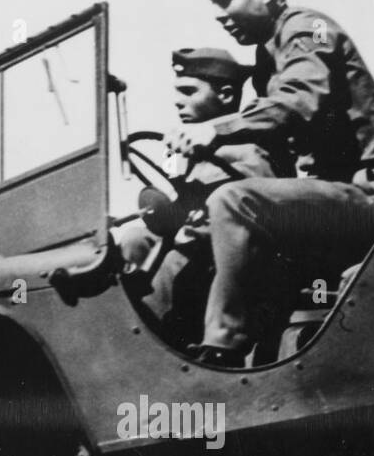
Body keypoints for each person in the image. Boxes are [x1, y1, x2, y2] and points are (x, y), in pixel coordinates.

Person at [168, 0, 374, 368]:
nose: (218, 13)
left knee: (236, 202)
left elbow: (301, 97)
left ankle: (222, 350)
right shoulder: (269, 59)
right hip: (332, 203)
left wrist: (215, 130)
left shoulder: (310, 30)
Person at [116, 47, 285, 345]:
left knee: (177, 259)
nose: (177, 101)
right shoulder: (197, 155)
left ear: (227, 95)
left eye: (188, 91)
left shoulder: (251, 151)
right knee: (132, 238)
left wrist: (187, 231)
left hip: (229, 269)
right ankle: (125, 322)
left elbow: (258, 218)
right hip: (195, 252)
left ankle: (147, 340)